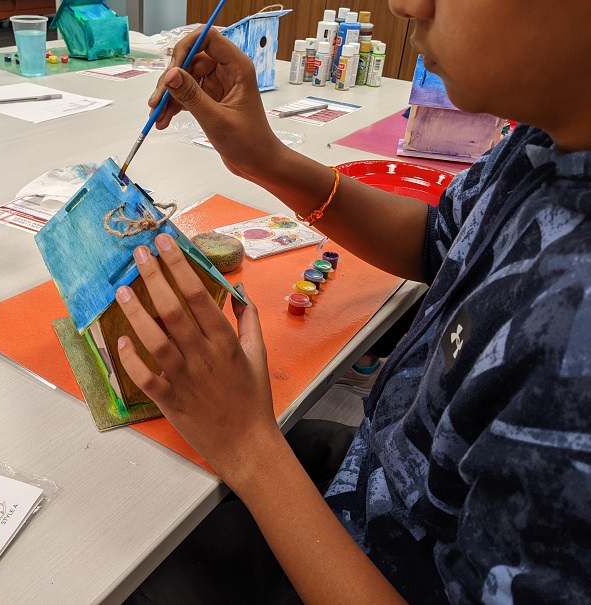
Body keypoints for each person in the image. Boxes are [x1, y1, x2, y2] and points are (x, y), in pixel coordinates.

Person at [118, 0, 591, 603]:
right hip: (381, 479)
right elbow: (441, 241)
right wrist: (264, 159)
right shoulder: (548, 140)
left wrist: (248, 447)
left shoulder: (576, 353)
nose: (405, 4)